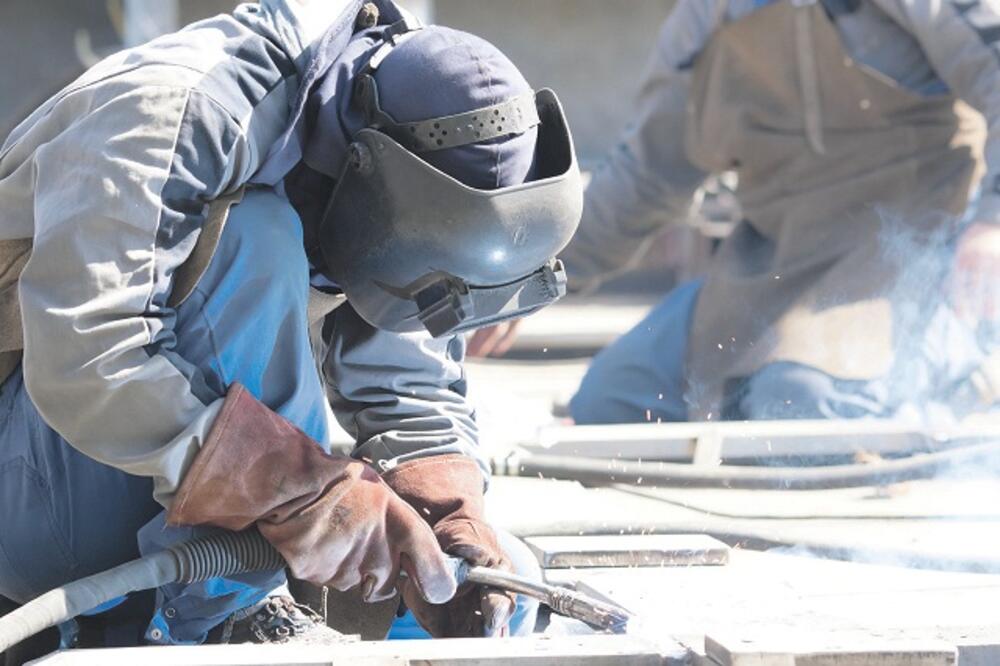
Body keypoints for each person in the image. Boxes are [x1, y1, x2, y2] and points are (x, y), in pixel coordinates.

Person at [0, 0, 581, 656]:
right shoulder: (172, 114)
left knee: (519, 576)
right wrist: (297, 490)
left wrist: (447, 507)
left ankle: (235, 589)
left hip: (115, 491)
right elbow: (87, 356)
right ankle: (235, 616)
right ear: (367, 170)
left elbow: (411, 376)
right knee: (256, 237)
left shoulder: (400, 126)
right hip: (28, 498)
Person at [471, 0, 1000, 425]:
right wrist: (528, 277)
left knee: (799, 402)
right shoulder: (703, 19)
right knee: (615, 399)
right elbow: (644, 180)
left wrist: (994, 221)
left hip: (912, 261)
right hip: (772, 263)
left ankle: (974, 370)